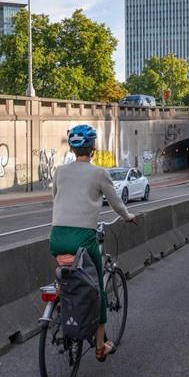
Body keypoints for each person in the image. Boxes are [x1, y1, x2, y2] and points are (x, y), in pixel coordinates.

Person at [50, 124, 136, 362]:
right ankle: (100, 347)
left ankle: (60, 307)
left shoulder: (59, 171)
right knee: (97, 290)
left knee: (66, 277)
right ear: (93, 148)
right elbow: (116, 202)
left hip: (57, 236)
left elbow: (56, 199)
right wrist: (128, 217)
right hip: (83, 238)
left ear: (71, 147)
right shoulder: (99, 173)